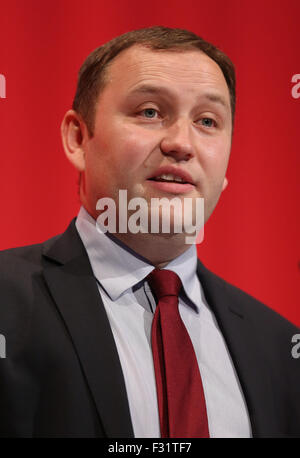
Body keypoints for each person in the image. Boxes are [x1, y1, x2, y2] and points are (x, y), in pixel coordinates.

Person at [0, 26, 299, 439]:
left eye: (208, 120)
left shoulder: (280, 348)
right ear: (77, 138)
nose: (181, 143)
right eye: (150, 112)